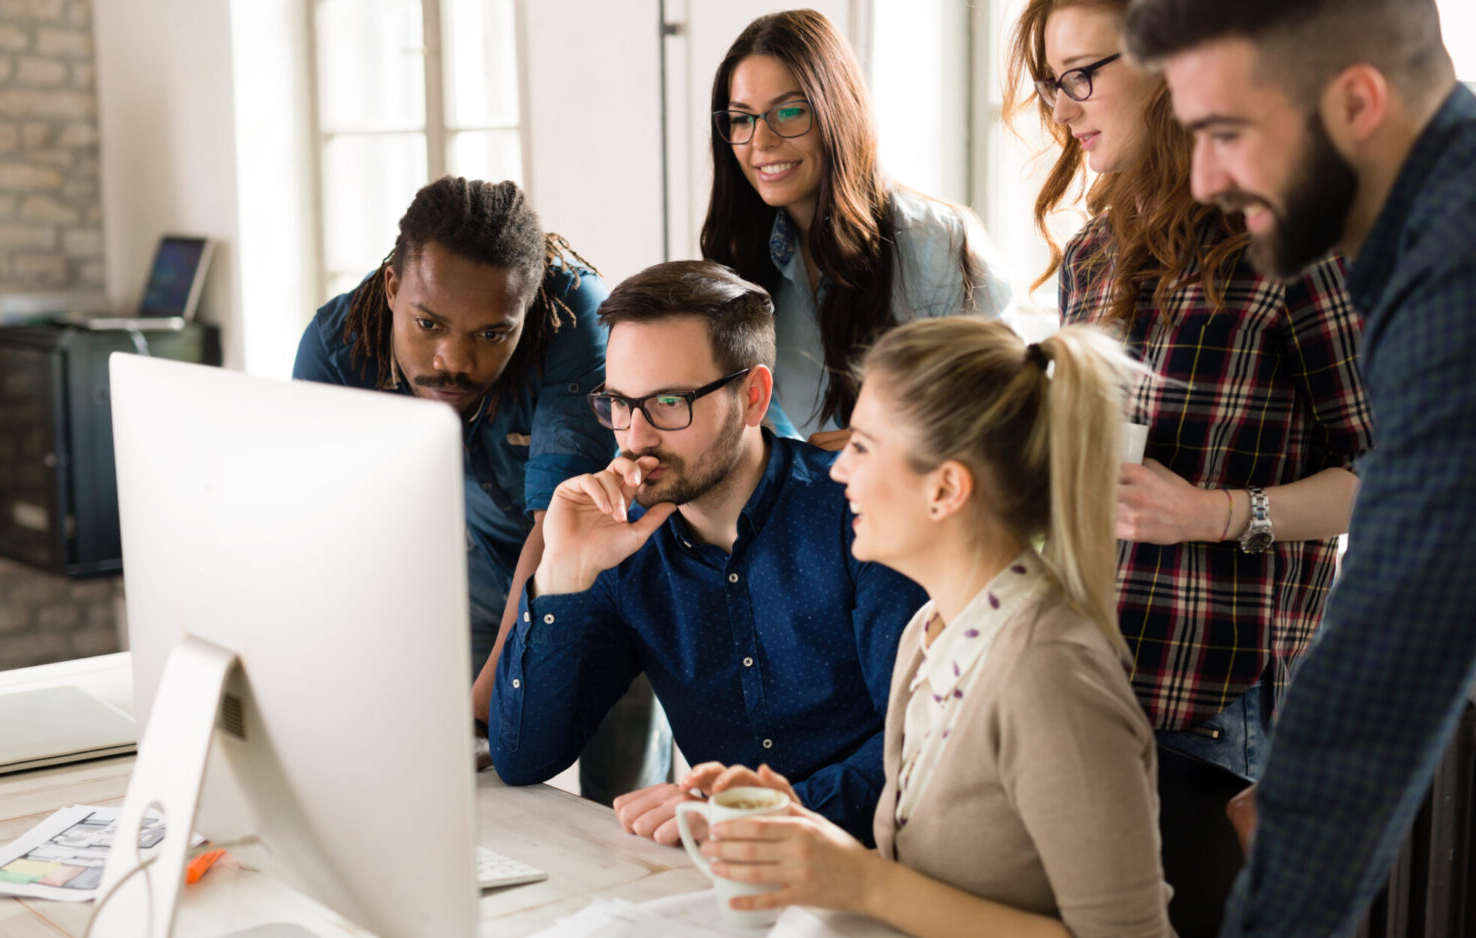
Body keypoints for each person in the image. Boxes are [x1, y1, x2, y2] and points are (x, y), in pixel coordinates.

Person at [1124, 1, 1476, 934]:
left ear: (1357, 101)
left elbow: (1390, 656)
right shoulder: (1420, 244)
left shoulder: (1459, 266)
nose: (1202, 181)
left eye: (1226, 134)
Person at [685, 318, 1174, 938]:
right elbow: (922, 889)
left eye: (861, 447)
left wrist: (862, 880)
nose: (838, 472)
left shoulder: (1052, 677)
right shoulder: (931, 632)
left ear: (945, 490)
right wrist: (803, 835)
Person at [1003, 0, 1373, 780]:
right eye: (1050, 85)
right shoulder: (1091, 258)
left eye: (1081, 77)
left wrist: (1217, 513)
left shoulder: (1295, 246)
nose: (1063, 110)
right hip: (1085, 685)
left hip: (1218, 713)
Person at [488, 260, 928, 846]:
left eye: (669, 402)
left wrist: (761, 814)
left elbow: (919, 744)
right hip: (724, 893)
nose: (635, 437)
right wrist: (561, 573)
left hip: (880, 880)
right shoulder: (622, 545)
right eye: (620, 403)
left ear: (753, 396)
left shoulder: (858, 515)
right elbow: (522, 758)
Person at [292, 176, 668, 802]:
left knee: (621, 807)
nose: (452, 360)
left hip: (597, 570)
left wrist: (479, 712)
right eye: (428, 323)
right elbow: (332, 537)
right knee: (468, 799)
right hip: (467, 573)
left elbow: (561, 530)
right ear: (392, 288)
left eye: (492, 334)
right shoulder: (339, 347)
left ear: (526, 312)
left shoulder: (572, 318)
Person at [701, 8, 1012, 447]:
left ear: (837, 112)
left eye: (788, 111)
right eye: (741, 118)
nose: (760, 141)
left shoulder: (935, 243)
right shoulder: (743, 257)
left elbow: (1014, 418)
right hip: (834, 508)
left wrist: (885, 444)